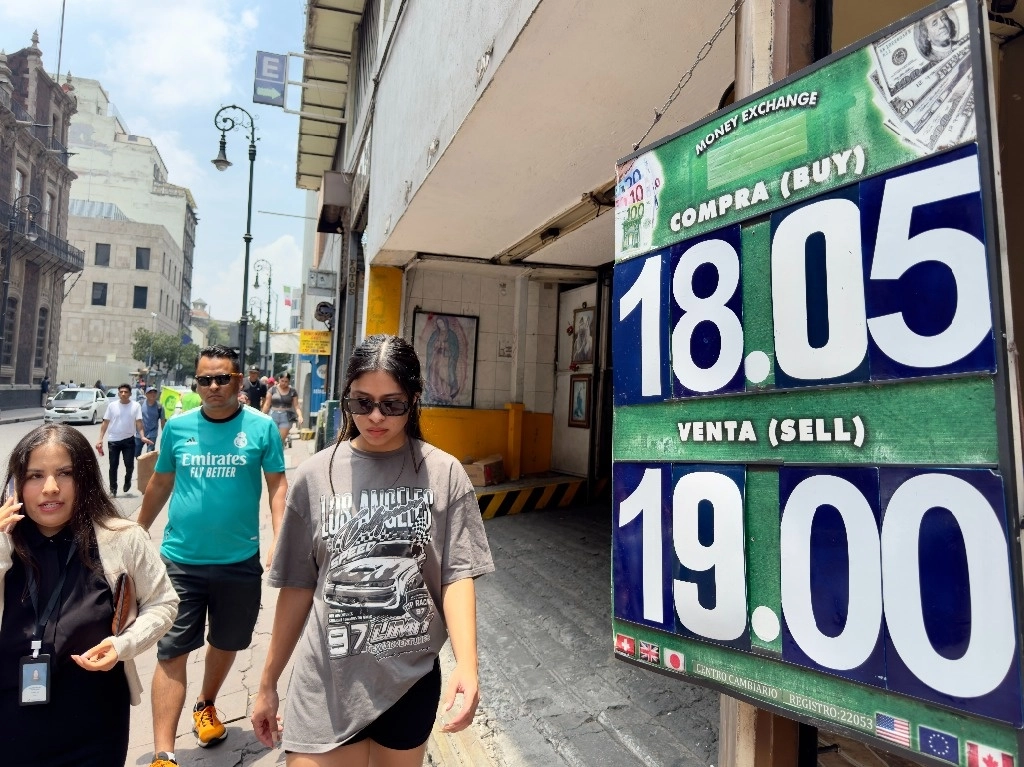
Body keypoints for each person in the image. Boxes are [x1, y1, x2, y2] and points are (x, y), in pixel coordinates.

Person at [251, 334, 494, 765]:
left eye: (392, 404)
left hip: (409, 680)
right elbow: (296, 587)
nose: (375, 417)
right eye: (362, 403)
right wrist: (268, 681)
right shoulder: (314, 476)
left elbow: (456, 575)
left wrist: (468, 666)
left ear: (414, 400)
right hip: (326, 680)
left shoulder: (443, 473)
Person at [137, 344, 287, 767]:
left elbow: (277, 485)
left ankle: (206, 704)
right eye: (205, 379)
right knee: (172, 650)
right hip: (180, 560)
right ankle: (164, 753)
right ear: (196, 383)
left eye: (223, 378)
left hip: (239, 561)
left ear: (239, 382)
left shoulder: (260, 429)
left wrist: (279, 536)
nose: (213, 386)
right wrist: (137, 530)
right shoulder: (179, 428)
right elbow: (161, 483)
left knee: (228, 640)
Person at [0, 423, 178, 766]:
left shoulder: (123, 538)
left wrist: (123, 645)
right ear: (15, 484)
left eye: (64, 473)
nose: (50, 488)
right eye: (35, 475)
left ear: (85, 478)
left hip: (95, 724)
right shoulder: (5, 543)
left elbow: (163, 602)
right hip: (10, 722)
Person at [96, 384, 151, 497]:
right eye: (121, 392)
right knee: (113, 466)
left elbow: (139, 423)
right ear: (118, 393)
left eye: (126, 392)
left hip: (129, 440)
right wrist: (100, 439)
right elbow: (105, 422)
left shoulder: (135, 406)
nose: (123, 394)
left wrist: (142, 436)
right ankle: (113, 489)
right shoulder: (112, 406)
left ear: (130, 394)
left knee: (129, 465)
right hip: (113, 440)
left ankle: (127, 480)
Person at [262, 372, 302, 444]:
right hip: (273, 415)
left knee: (280, 441)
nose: (284, 383)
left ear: (289, 381)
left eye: (286, 381)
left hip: (286, 416)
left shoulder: (292, 391)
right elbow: (267, 404)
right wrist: (262, 416)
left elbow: (296, 405)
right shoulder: (272, 390)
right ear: (279, 379)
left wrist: (300, 416)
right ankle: (272, 454)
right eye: (282, 381)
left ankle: (279, 454)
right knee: (272, 439)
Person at [136, 386, 165, 457]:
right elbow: (135, 419)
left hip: (152, 433)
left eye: (154, 392)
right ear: (146, 394)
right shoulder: (140, 404)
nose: (153, 394)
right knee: (136, 453)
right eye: (150, 393)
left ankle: (147, 467)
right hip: (140, 433)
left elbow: (162, 421)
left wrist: (164, 433)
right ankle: (141, 466)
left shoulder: (159, 406)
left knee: (150, 454)